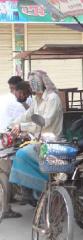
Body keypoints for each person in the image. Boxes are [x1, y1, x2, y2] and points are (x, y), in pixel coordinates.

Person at [8, 70, 63, 200]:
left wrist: (22, 127)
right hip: (39, 140)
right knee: (18, 152)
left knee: (22, 154)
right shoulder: (37, 100)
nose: (32, 86)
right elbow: (26, 116)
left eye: (34, 82)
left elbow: (45, 122)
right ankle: (34, 189)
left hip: (52, 141)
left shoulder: (53, 98)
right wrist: (12, 125)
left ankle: (41, 186)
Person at [0, 78, 33, 219]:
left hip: (5, 137)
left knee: (6, 170)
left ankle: (10, 198)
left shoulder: (5, 98)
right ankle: (5, 208)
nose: (23, 96)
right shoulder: (17, 103)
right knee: (5, 173)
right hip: (5, 139)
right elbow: (23, 124)